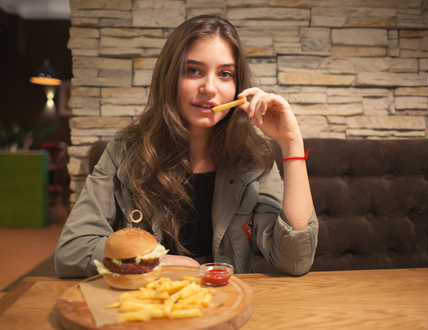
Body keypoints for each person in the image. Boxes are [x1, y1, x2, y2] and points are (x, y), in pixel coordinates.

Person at [55, 15, 318, 278]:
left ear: (238, 86)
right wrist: (162, 262)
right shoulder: (125, 151)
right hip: (147, 307)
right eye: (193, 71)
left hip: (230, 305)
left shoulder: (253, 159)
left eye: (225, 74)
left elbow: (294, 260)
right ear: (170, 76)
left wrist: (290, 142)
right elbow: (72, 251)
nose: (210, 88)